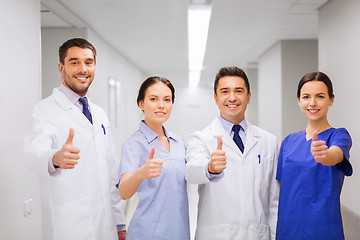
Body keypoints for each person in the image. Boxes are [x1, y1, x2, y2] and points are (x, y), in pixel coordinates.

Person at [24, 38, 126, 240]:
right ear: (61, 68)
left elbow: (111, 173)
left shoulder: (100, 114)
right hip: (71, 226)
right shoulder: (44, 111)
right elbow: (31, 153)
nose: (83, 69)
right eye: (74, 62)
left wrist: (119, 221)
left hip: (106, 225)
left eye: (88, 62)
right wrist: (54, 158)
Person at [185, 66, 279, 240]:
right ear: (215, 98)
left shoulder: (268, 141)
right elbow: (191, 172)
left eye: (239, 91)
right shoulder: (201, 138)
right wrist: (210, 167)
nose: (232, 97)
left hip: (257, 235)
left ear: (249, 96)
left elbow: (274, 201)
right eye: (225, 91)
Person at [275, 72, 352, 240]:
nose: (312, 103)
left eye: (320, 96)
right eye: (306, 97)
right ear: (299, 100)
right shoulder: (288, 142)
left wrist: (325, 155)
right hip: (288, 229)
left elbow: (335, 155)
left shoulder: (338, 136)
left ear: (331, 99)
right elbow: (281, 189)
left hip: (322, 230)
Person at [118, 76, 190, 240]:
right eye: (153, 99)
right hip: (148, 233)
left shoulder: (179, 143)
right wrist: (140, 174)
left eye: (167, 99)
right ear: (141, 103)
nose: (161, 105)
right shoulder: (134, 144)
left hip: (179, 232)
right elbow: (123, 192)